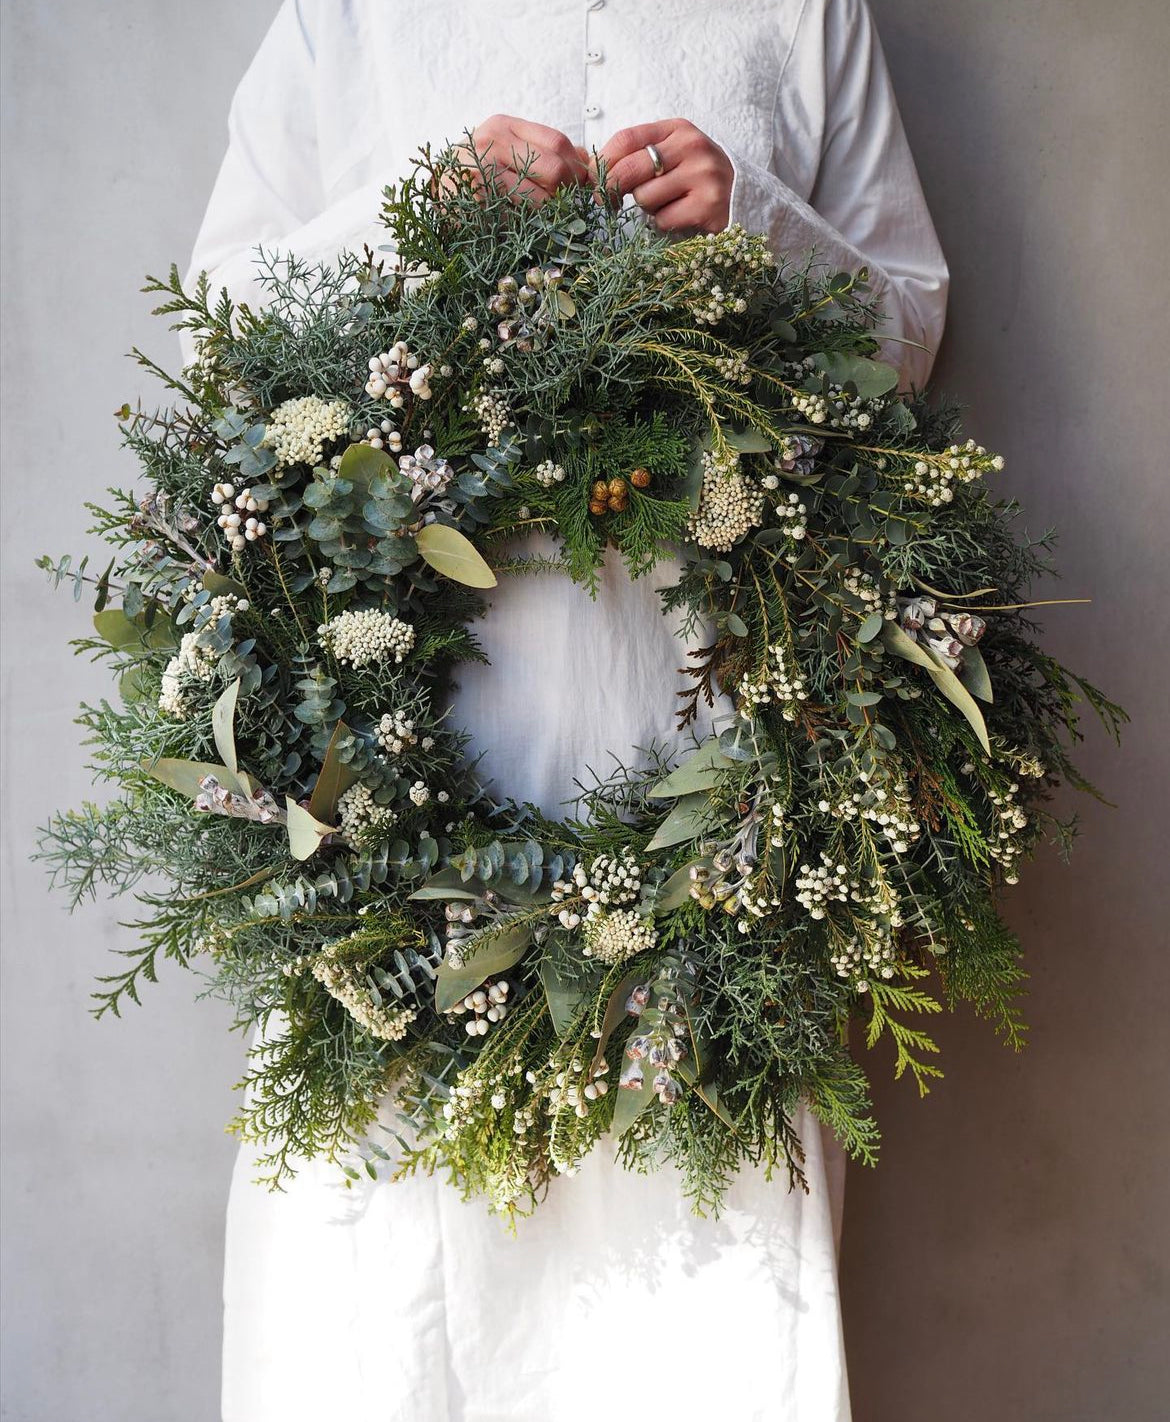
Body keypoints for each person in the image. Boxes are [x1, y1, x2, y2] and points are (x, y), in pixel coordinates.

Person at [186, 4, 948, 1419]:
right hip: (397, 788)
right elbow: (218, 323)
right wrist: (412, 213)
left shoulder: (801, 11)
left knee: (702, 1298)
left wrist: (755, 223)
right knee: (382, 1298)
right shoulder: (348, 14)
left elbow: (902, 331)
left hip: (707, 761)